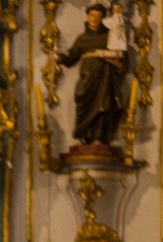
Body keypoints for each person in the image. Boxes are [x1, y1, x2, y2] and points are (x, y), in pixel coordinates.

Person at [57, 3, 128, 149]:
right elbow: (72, 58)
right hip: (86, 77)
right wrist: (60, 57)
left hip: (103, 77)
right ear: (87, 16)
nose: (94, 19)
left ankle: (98, 137)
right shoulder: (82, 38)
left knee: (102, 106)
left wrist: (108, 58)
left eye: (98, 16)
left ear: (102, 18)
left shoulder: (109, 36)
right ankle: (82, 136)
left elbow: (122, 57)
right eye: (92, 15)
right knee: (81, 99)